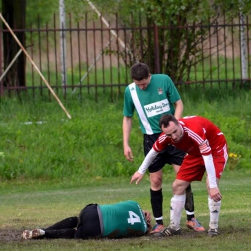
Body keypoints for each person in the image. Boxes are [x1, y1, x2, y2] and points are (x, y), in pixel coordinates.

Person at [123, 62, 204, 235]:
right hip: (151, 138)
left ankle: (191, 218)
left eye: (144, 83)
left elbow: (179, 104)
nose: (142, 87)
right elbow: (127, 117)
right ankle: (159, 223)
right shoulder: (130, 91)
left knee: (184, 177)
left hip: (173, 137)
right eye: (138, 84)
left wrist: (175, 129)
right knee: (156, 180)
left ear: (149, 76)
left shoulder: (164, 80)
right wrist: (126, 143)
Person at [131, 114, 228, 237]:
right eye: (169, 135)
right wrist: (140, 171)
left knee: (210, 185)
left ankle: (213, 227)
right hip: (195, 152)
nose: (174, 137)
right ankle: (174, 227)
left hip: (215, 150)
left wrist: (213, 185)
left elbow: (207, 156)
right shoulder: (166, 136)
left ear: (178, 124)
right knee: (178, 186)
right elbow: (153, 152)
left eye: (175, 132)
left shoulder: (194, 130)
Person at [21, 200, 152, 240]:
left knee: (76, 220)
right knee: (75, 234)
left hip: (91, 211)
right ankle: (45, 233)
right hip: (97, 228)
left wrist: (142, 210)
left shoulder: (135, 204)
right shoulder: (142, 229)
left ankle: (44, 230)